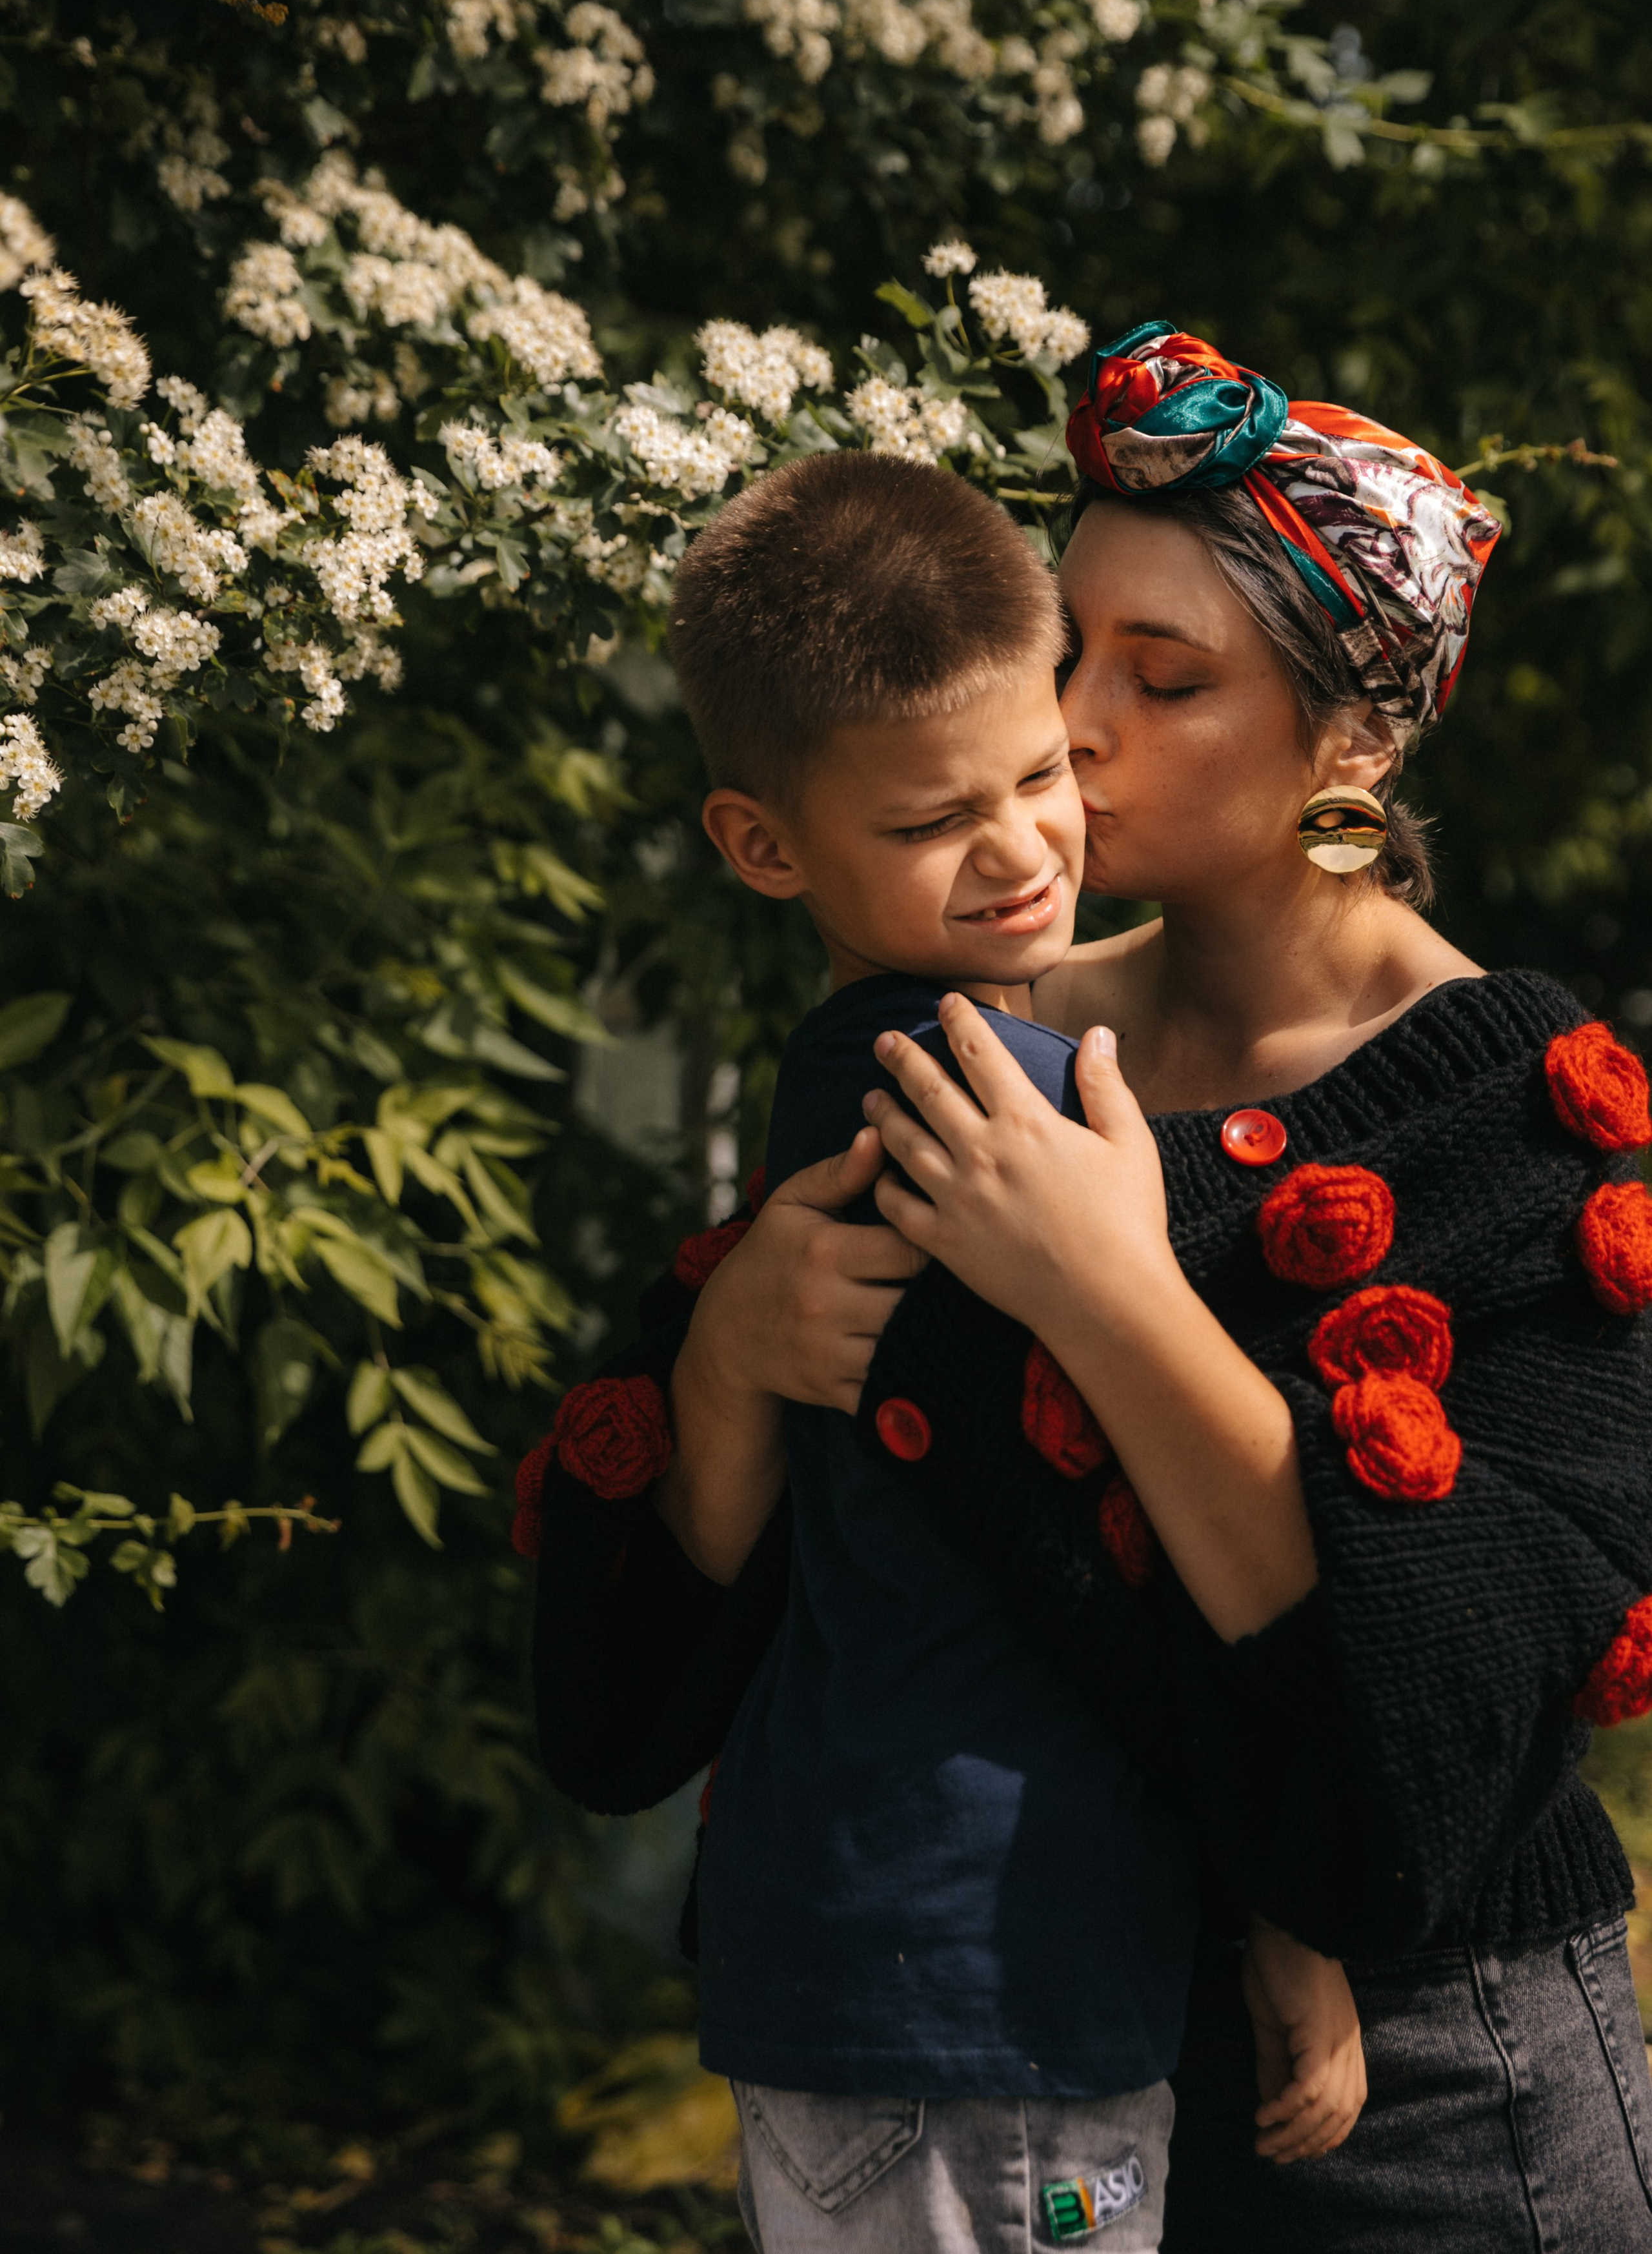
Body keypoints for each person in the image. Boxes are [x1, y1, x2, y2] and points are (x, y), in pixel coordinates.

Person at [601, 322, 1652, 2252]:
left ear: (1356, 742)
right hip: (1018, 2043)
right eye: (1064, 645)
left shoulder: (1532, 1128)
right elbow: (635, 1669)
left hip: (1436, 2107)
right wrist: (731, 1364)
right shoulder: (950, 1041)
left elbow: (1438, 1739)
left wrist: (1115, 1292)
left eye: (1159, 678)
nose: (1067, 725)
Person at [523, 448, 1366, 2254]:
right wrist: (1295, 1905)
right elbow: (1134, 1571)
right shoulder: (993, 1106)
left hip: (893, 1947)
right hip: (985, 1965)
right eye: (928, 825)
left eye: (1044, 773)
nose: (1020, 848)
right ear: (761, 842)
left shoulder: (854, 1066)